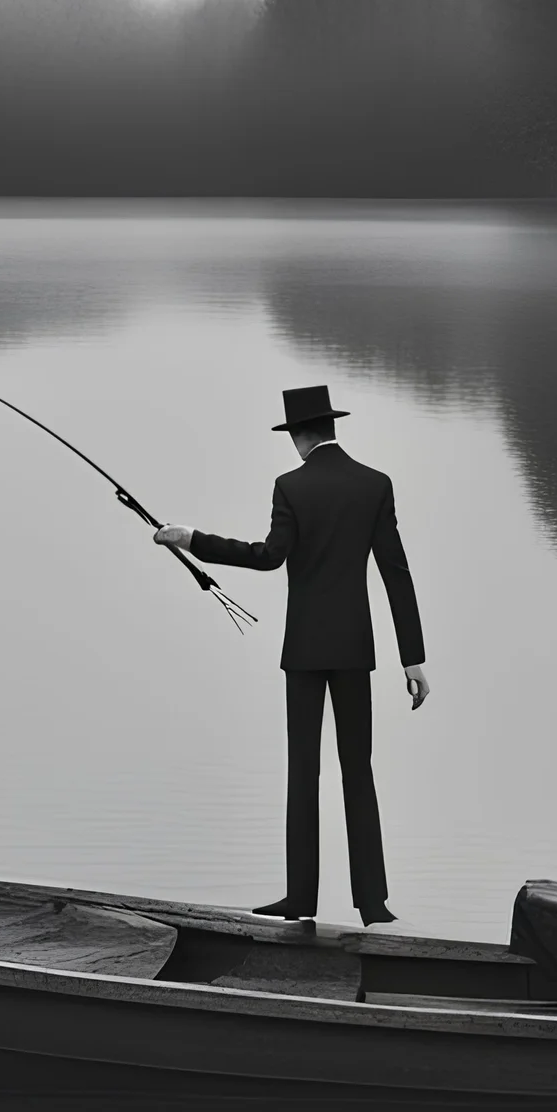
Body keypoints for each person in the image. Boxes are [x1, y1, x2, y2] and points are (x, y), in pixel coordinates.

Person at [155, 383, 428, 925]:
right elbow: (395, 571)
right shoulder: (375, 484)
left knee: (303, 772)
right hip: (356, 649)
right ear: (331, 428)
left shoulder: (290, 486)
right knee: (359, 771)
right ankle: (373, 903)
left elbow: (268, 558)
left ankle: (301, 898)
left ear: (298, 437)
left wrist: (193, 539)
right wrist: (412, 657)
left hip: (303, 650)